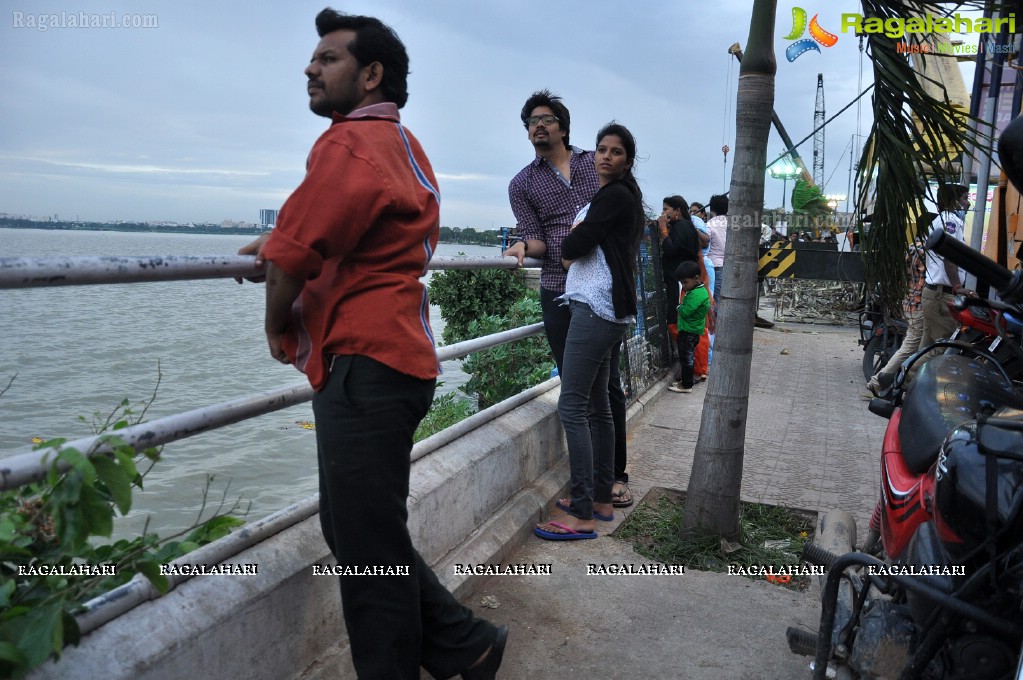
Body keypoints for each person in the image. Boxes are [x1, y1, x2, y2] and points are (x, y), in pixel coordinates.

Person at [239, 10, 505, 679]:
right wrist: (277, 244)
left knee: (365, 549)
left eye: (327, 58)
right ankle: (462, 644)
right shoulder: (401, 144)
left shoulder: (348, 145)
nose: (310, 67)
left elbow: (298, 250)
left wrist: (278, 322)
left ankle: (428, 656)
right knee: (360, 531)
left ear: (370, 74)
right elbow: (340, 229)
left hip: (365, 363)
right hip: (397, 360)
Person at [506, 90, 633, 509]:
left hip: (600, 287)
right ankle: (592, 487)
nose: (538, 126)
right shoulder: (522, 183)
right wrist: (524, 245)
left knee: (607, 387)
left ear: (562, 125)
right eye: (531, 122)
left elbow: (617, 214)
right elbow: (538, 238)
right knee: (578, 385)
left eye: (546, 119)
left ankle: (612, 478)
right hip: (557, 287)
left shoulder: (592, 161)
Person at [534, 122, 645, 540]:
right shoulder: (615, 195)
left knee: (573, 405)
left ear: (627, 161)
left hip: (596, 307)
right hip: (604, 308)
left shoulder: (614, 195)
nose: (605, 156)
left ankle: (581, 513)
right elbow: (583, 243)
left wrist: (570, 245)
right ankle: (599, 498)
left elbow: (573, 247)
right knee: (597, 405)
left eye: (615, 151)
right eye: (601, 149)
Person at [866, 238, 927, 396]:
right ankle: (880, 381)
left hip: (909, 302)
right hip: (919, 304)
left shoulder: (912, 247)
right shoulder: (927, 251)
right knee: (911, 348)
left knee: (916, 348)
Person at [919, 184, 973, 351]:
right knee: (941, 352)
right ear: (953, 202)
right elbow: (949, 258)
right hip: (941, 296)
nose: (968, 204)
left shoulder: (943, 220)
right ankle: (901, 377)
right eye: (965, 199)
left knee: (925, 351)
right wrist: (958, 287)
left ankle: (901, 377)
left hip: (935, 294)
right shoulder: (950, 221)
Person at [657, 195, 702, 326]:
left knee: (676, 314)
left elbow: (671, 249)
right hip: (681, 280)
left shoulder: (682, 226)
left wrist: (663, 229)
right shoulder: (685, 226)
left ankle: (679, 345)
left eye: (666, 209)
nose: (663, 213)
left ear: (677, 211)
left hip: (679, 281)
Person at [668, 260, 711, 394]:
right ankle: (686, 381)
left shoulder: (696, 295)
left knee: (686, 358)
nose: (684, 286)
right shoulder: (698, 291)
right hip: (690, 329)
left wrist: (679, 307)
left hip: (689, 331)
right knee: (687, 357)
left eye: (685, 283)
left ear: (696, 278)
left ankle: (686, 385)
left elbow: (686, 311)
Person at [705, 194, 729, 302]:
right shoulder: (733, 224)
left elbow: (705, 243)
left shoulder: (709, 224)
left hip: (714, 266)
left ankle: (717, 319)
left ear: (711, 208)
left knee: (715, 299)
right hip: (729, 265)